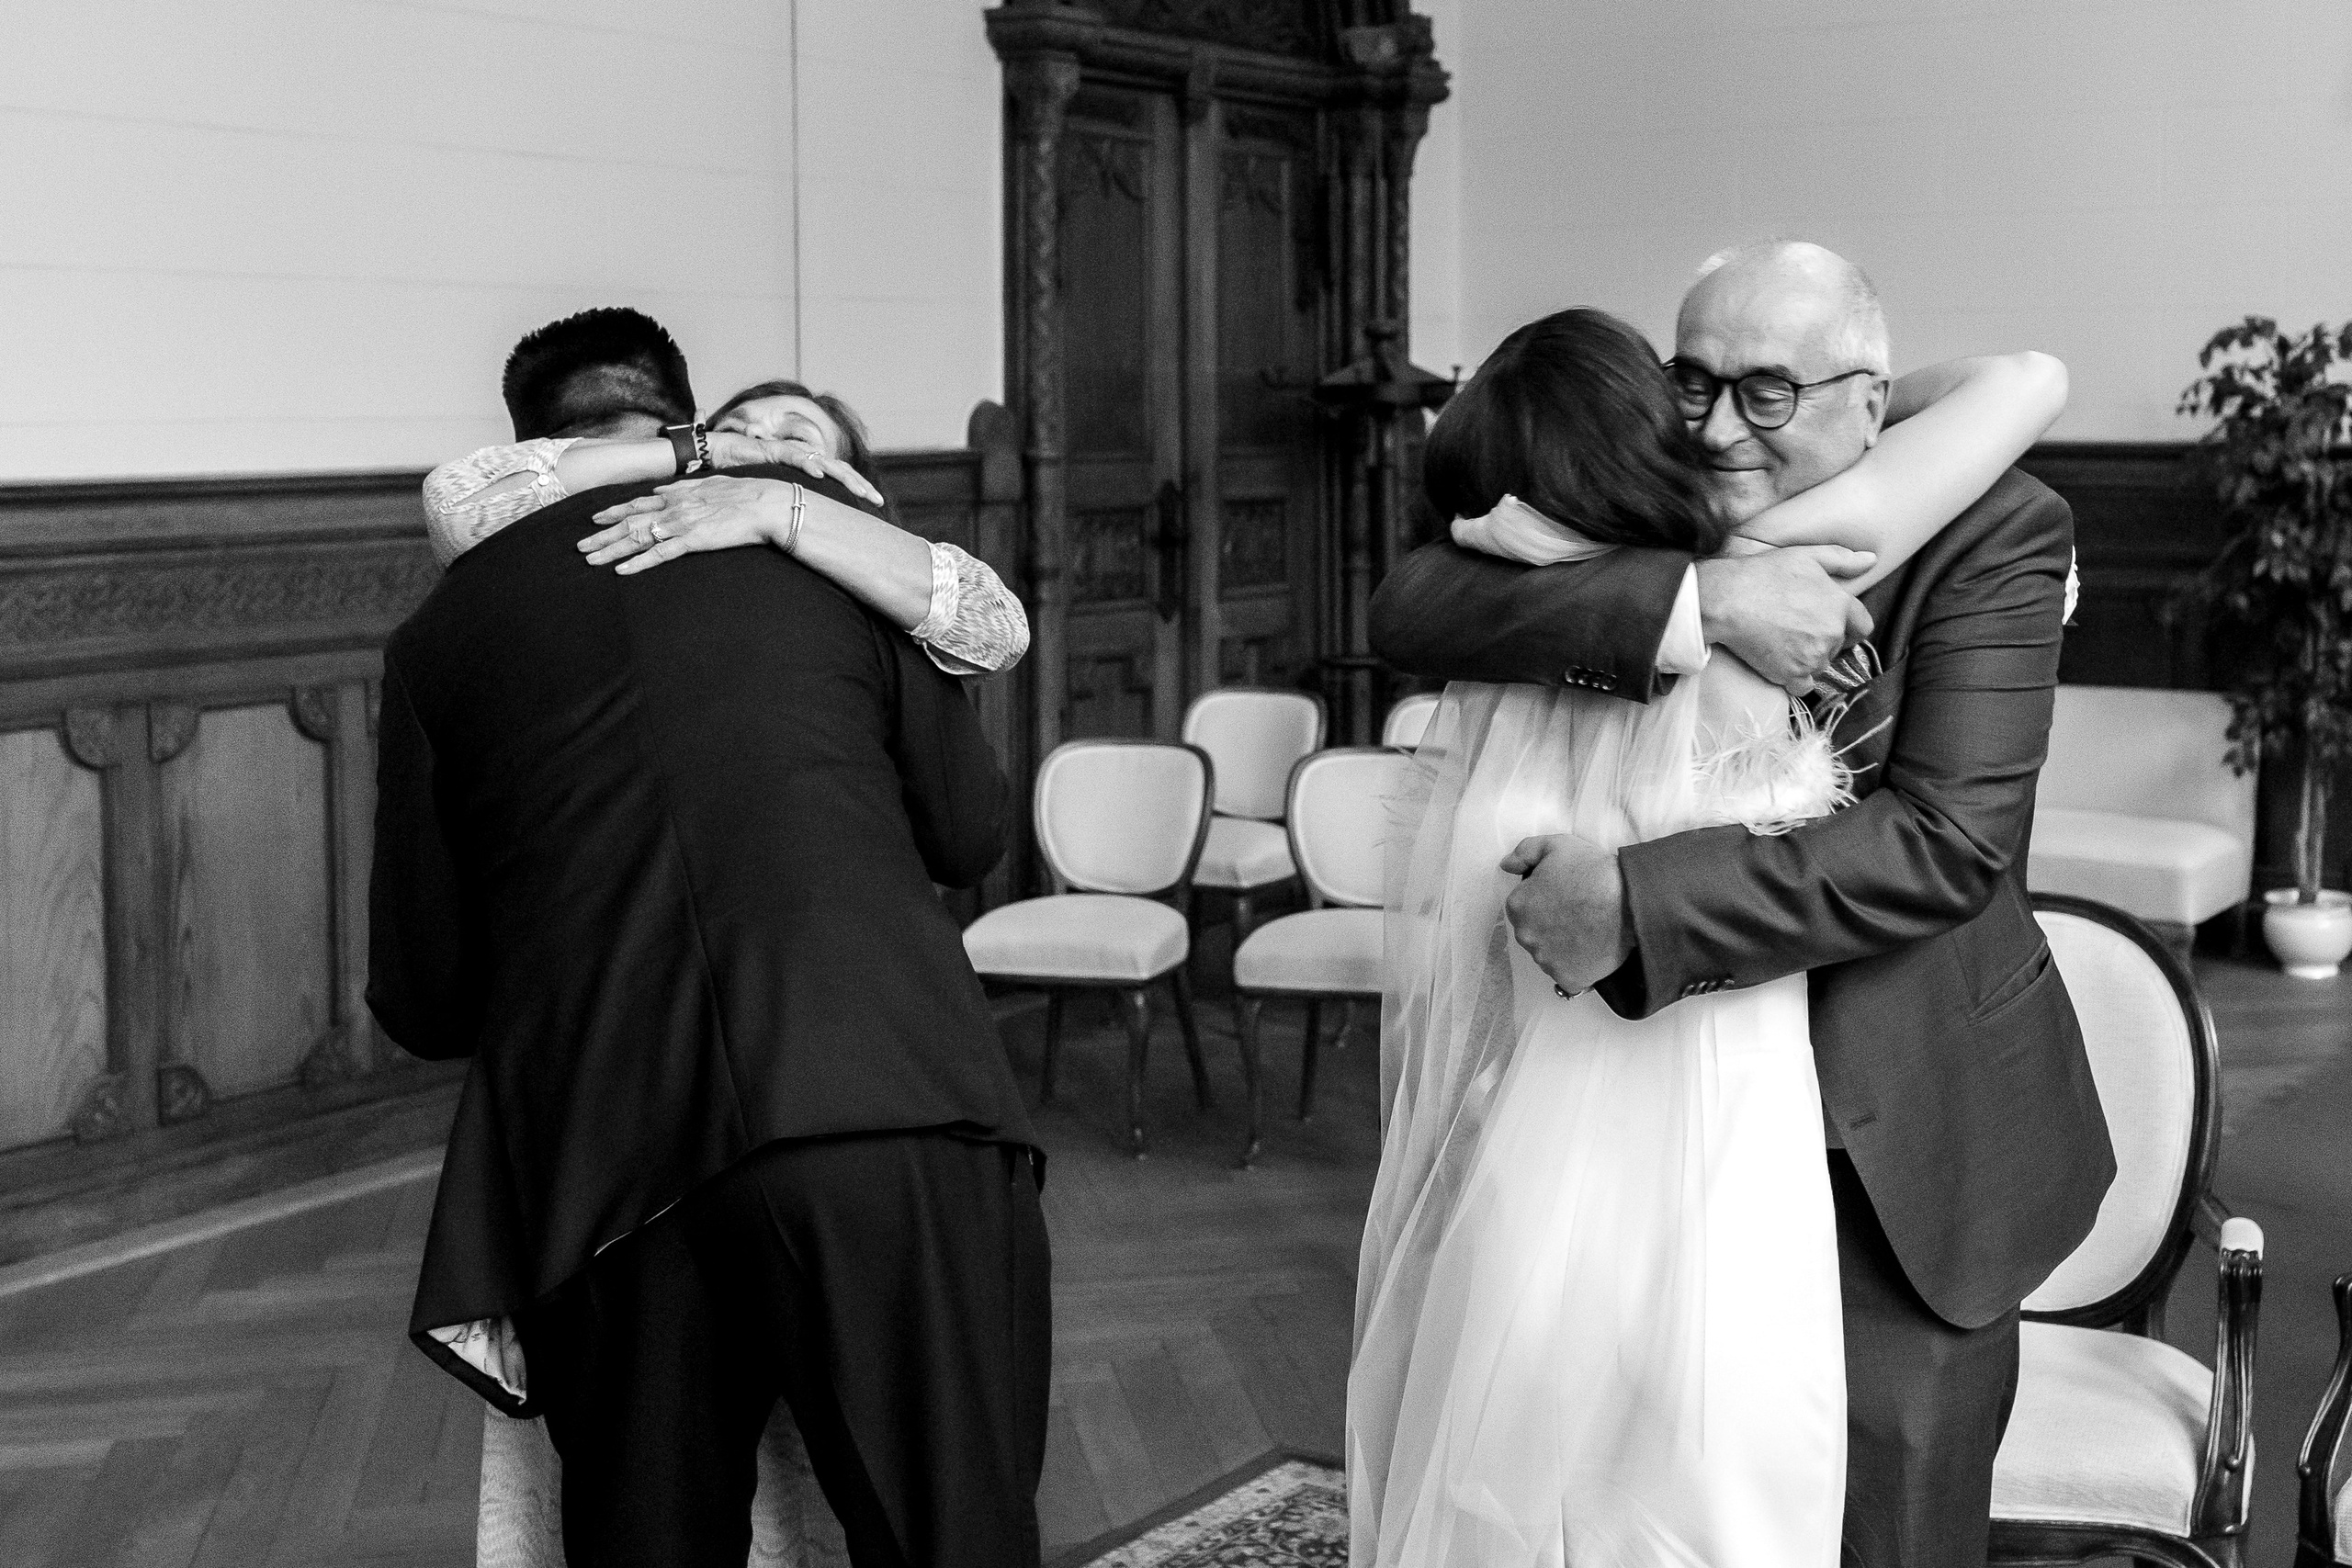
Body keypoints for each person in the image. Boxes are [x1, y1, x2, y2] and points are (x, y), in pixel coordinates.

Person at [1357, 244, 2114, 1566]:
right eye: (1692, 379)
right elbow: (1416, 598)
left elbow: (1944, 839)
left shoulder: (2001, 525)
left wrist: (1635, 902)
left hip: (1896, 1126)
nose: (1714, 424)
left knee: (1886, 1520)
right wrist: (1698, 597)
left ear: (1873, 404)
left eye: (1768, 392)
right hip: (1657, 1123)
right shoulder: (1659, 523)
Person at [368, 457, 1049, 1568]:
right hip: (878, 1087)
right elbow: (967, 834)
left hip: (606, 1161)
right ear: (681, 416)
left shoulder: (438, 640)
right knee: (948, 1531)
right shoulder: (822, 549)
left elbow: (423, 994)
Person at [422, 309, 1027, 676]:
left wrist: (774, 507)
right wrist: (701, 449)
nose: (763, 445)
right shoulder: (657, 513)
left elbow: (1001, 631)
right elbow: (458, 506)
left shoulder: (867, 566)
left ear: (848, 480)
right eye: (740, 431)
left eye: (795, 437)